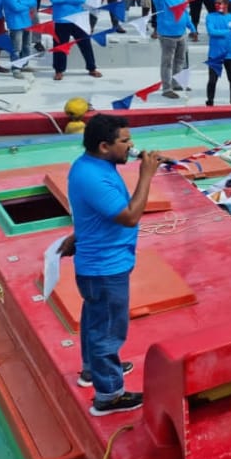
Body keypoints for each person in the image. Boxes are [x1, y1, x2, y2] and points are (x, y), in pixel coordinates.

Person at [58, 114, 161, 415]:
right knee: (108, 333)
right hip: (105, 269)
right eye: (125, 141)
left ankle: (93, 370)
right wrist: (146, 176)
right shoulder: (94, 176)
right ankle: (109, 395)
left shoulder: (92, 166)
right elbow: (129, 216)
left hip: (99, 265)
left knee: (95, 321)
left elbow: (93, 211)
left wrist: (79, 235)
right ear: (104, 146)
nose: (132, 146)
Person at [45, 0, 103, 82]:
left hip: (78, 19)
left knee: (85, 44)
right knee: (60, 47)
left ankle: (91, 68)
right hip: (61, 20)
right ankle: (59, 70)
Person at [151, 0, 192, 98]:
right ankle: (167, 88)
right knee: (167, 63)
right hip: (167, 34)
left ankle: (176, 83)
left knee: (180, 60)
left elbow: (184, 11)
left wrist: (191, 27)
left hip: (181, 32)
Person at [0, 0, 38, 75]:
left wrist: (21, 2)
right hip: (15, 23)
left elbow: (33, 1)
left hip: (27, 21)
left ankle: (24, 64)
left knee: (27, 46)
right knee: (16, 47)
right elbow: (15, 7)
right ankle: (16, 67)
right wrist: (25, 4)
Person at [204, 0, 231, 107]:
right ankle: (210, 102)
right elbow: (211, 32)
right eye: (216, 3)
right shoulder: (210, 16)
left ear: (226, 5)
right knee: (212, 81)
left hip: (230, 54)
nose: (217, 5)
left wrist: (224, 32)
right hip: (215, 54)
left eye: (220, 3)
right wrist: (228, 31)